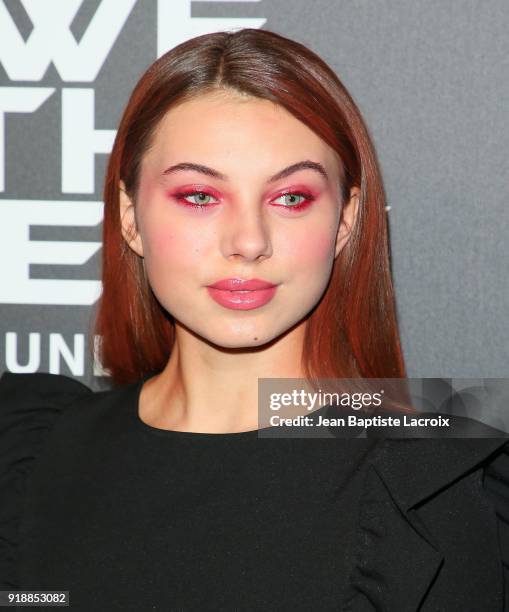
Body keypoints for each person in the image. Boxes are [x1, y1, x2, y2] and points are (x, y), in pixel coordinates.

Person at [0, 28, 508, 611]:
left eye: (290, 197)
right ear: (130, 218)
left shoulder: (429, 484)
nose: (248, 241)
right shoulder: (29, 452)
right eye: (198, 196)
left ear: (345, 221)